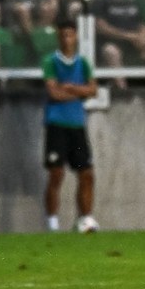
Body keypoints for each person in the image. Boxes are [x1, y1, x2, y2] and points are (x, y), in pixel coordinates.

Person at [42, 20, 98, 233]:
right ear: (58, 37)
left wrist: (71, 88)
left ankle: (85, 219)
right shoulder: (50, 61)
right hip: (56, 122)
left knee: (86, 173)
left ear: (76, 37)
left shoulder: (83, 63)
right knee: (56, 173)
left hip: (77, 123)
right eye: (63, 35)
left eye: (70, 35)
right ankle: (52, 222)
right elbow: (53, 93)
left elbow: (93, 90)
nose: (67, 39)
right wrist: (79, 92)